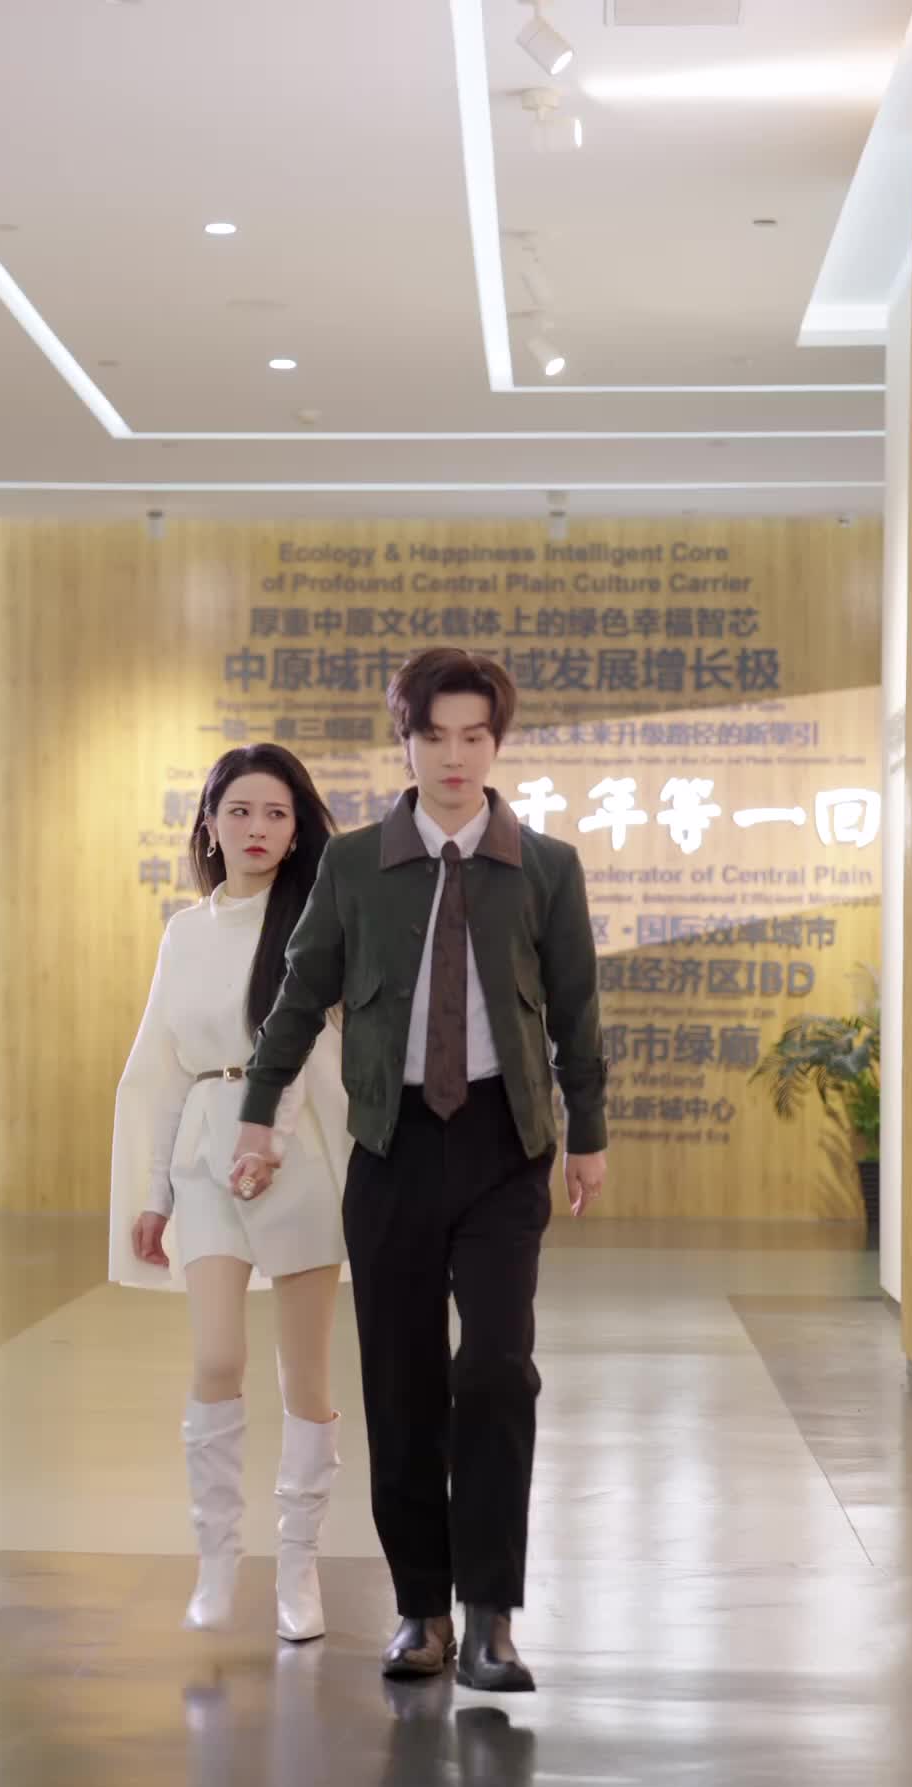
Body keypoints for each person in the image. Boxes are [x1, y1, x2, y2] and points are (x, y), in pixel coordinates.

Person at [230, 649, 608, 1692]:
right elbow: (298, 999)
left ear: (497, 743)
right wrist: (259, 1116)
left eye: (474, 736)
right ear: (405, 740)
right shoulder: (355, 866)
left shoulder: (546, 868)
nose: (454, 756)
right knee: (399, 1381)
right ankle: (421, 1613)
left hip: (503, 1145)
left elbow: (577, 1011)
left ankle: (491, 1618)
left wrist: (587, 1132)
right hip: (391, 1147)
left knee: (496, 1368)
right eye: (433, 735)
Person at [108, 745, 350, 1642]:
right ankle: (216, 1562)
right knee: (215, 1359)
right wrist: (155, 1195)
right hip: (207, 1158)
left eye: (277, 813)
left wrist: (272, 1140)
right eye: (240, 810)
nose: (257, 828)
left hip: (303, 1153)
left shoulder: (321, 920)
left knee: (305, 1373)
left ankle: (298, 1568)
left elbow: (322, 1047)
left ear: (298, 829)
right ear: (209, 822)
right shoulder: (185, 932)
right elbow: (165, 1068)